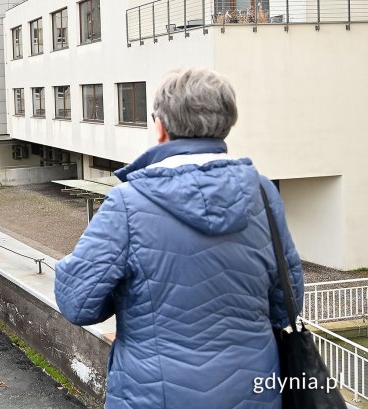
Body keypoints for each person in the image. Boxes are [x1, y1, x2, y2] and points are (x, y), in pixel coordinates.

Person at [54, 68, 303, 409]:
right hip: (255, 391)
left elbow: (77, 303)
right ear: (226, 123)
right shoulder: (263, 193)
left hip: (153, 395)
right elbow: (287, 304)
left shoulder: (128, 202)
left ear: (160, 127)